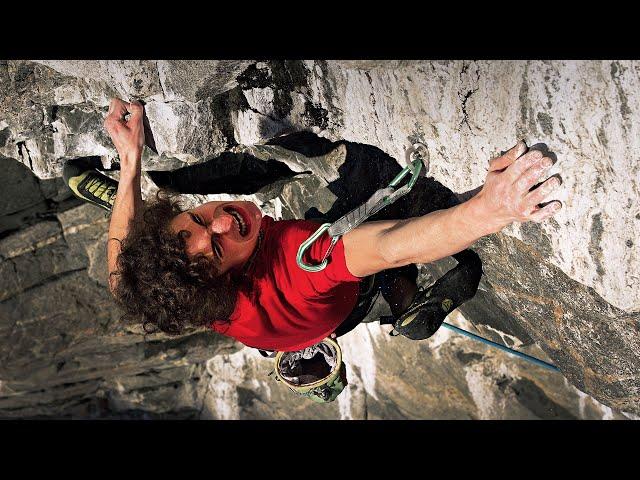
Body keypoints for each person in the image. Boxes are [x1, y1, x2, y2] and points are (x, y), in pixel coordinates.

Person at [64, 98, 562, 352]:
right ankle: (400, 295)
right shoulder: (297, 267)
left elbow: (119, 268)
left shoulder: (174, 289)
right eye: (217, 250)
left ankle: (399, 299)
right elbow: (389, 246)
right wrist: (491, 210)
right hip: (324, 305)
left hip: (296, 329)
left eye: (196, 217)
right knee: (372, 188)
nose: (221, 220)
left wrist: (129, 161)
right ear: (230, 279)